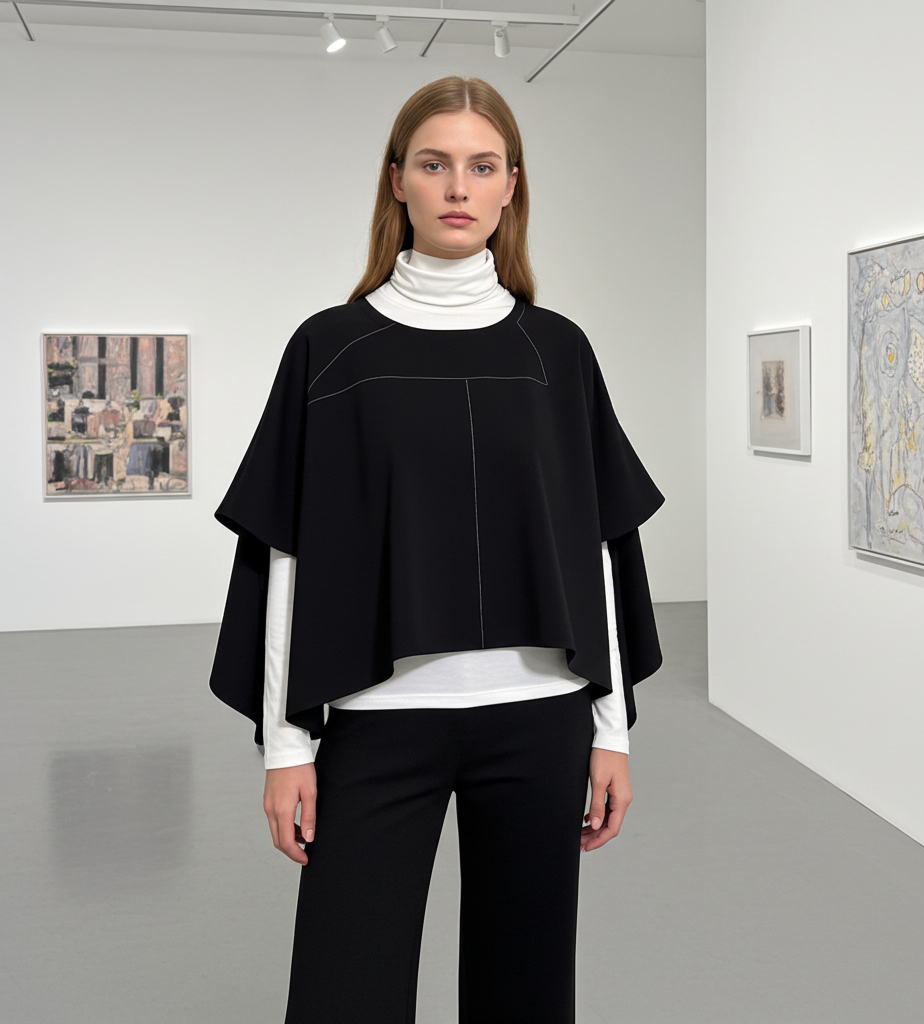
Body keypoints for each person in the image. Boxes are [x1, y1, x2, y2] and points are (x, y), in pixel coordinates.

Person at [209, 75, 665, 1024]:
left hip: (540, 721)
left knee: (525, 999)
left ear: (511, 187)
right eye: (435, 163)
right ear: (398, 182)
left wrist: (611, 730)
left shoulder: (558, 352)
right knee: (343, 995)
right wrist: (286, 747)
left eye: (482, 166)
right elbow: (289, 555)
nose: (459, 186)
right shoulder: (330, 349)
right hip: (377, 724)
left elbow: (597, 550)